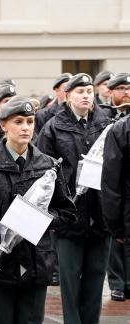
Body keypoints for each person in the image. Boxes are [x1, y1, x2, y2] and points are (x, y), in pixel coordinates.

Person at [0, 96, 76, 324]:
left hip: (35, 261)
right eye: (18, 121)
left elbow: (67, 212)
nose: (25, 128)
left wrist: (39, 219)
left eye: (30, 121)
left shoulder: (48, 165)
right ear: (3, 125)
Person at [36, 73, 112, 324]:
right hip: (70, 215)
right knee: (70, 279)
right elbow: (43, 171)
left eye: (89, 91)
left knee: (96, 276)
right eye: (80, 92)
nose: (86, 96)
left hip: (101, 214)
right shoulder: (53, 127)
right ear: (67, 96)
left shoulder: (107, 123)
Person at [100, 72, 130, 302]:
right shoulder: (103, 116)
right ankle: (118, 282)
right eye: (121, 88)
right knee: (115, 240)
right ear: (111, 92)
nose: (126, 92)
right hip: (112, 191)